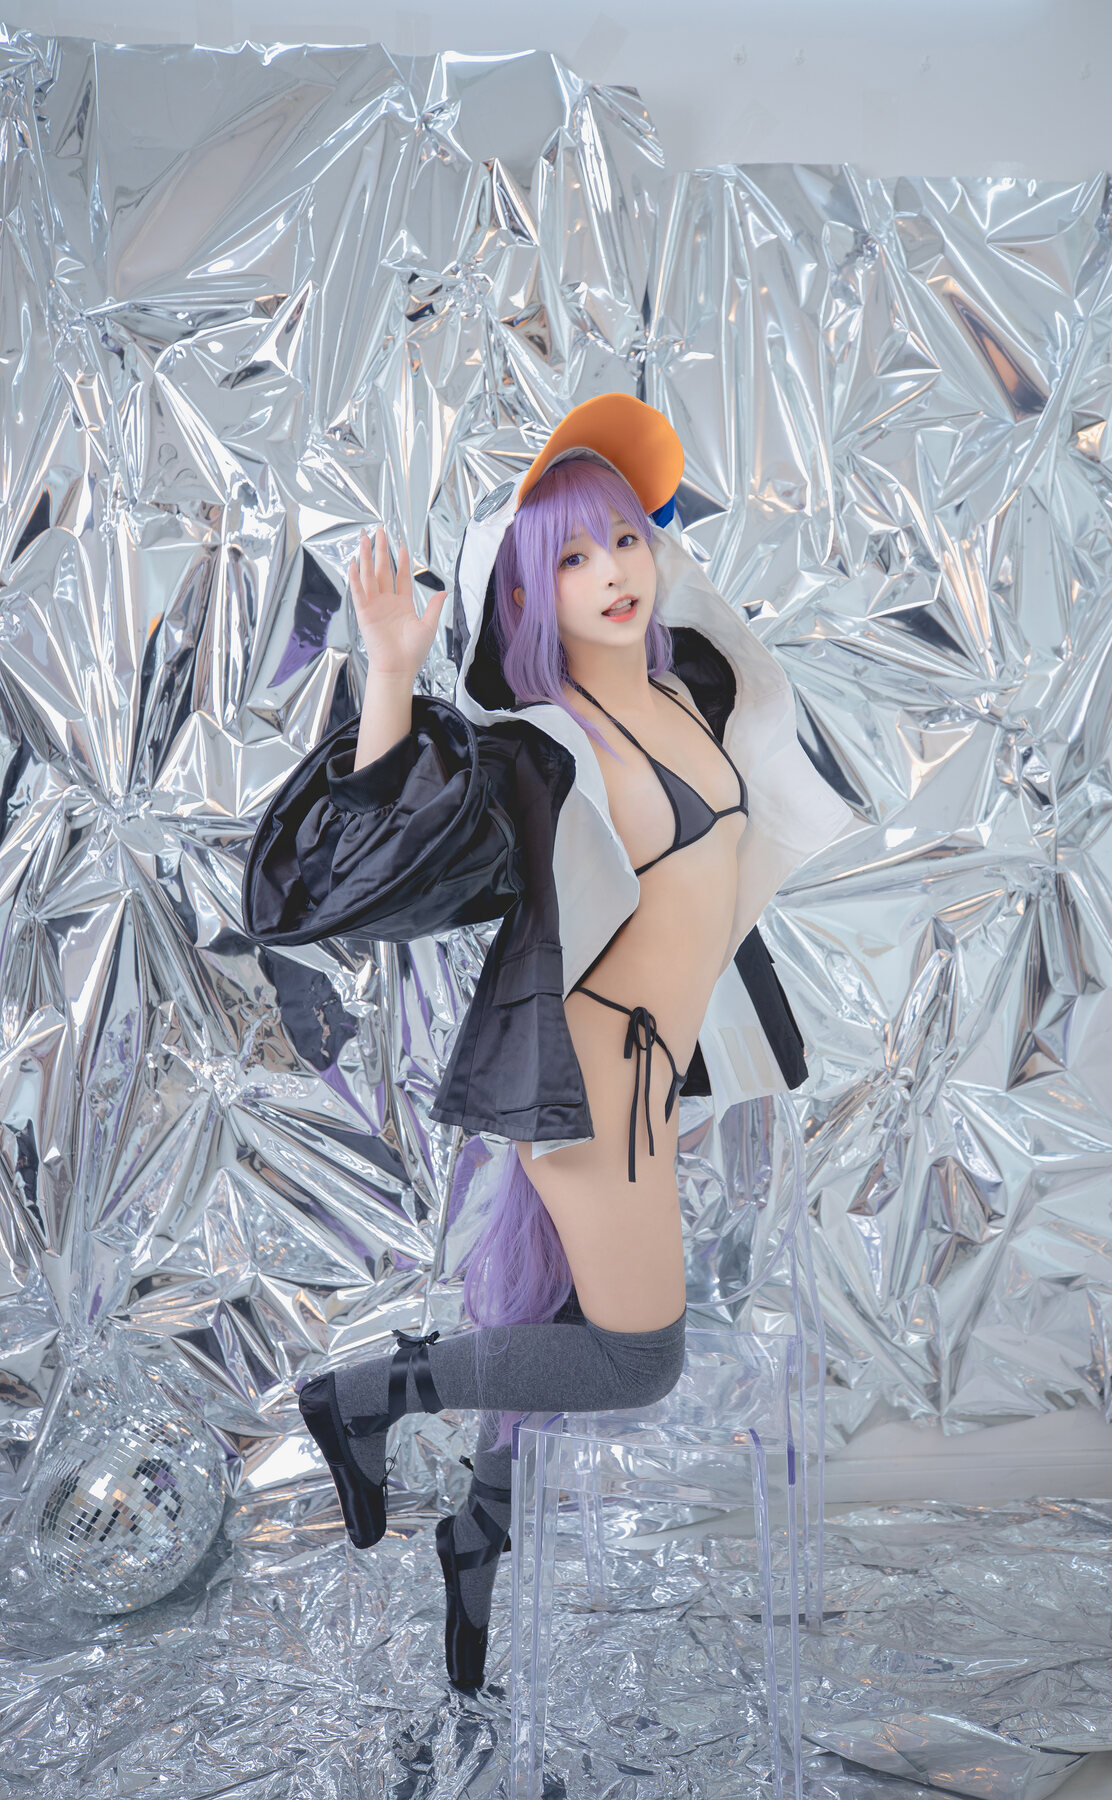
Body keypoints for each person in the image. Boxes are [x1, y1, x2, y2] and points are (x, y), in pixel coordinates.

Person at [241, 392, 858, 1692]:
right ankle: (364, 1397)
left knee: (548, 1311)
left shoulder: (693, 683)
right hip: (592, 1078)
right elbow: (380, 841)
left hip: (661, 1073)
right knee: (634, 1359)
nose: (614, 571)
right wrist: (395, 672)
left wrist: (612, 516)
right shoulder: (533, 752)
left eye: (625, 539)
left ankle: (480, 1534)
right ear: (525, 591)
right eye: (571, 557)